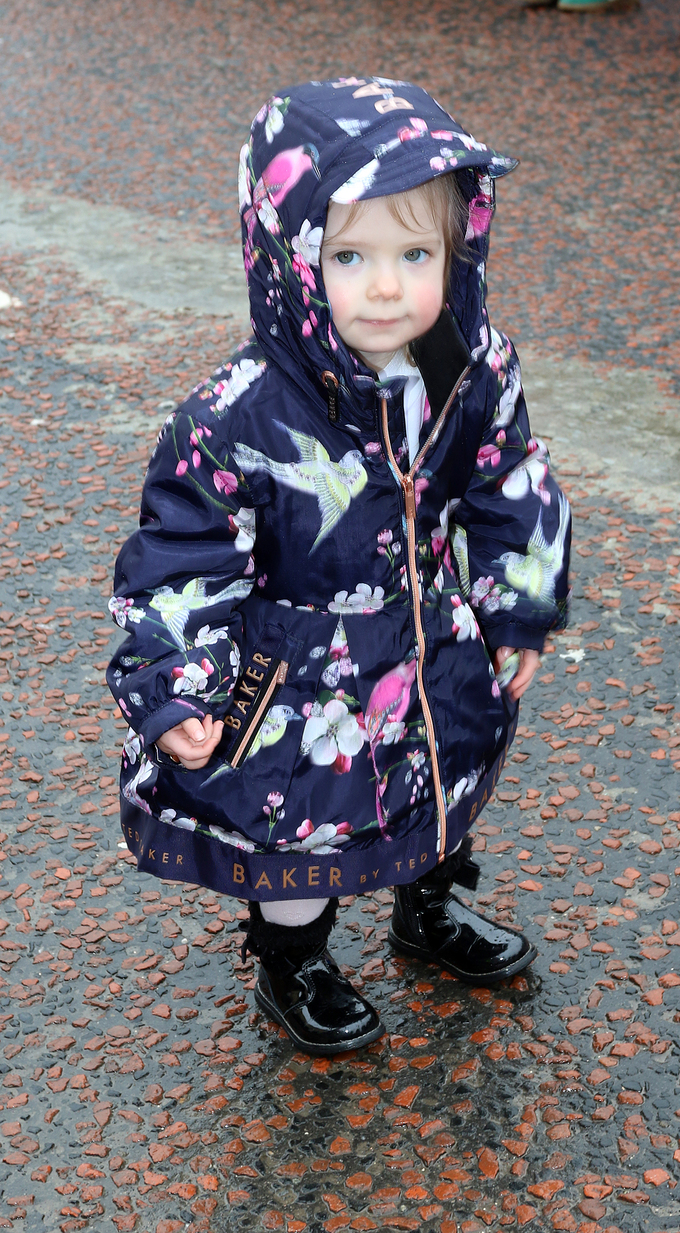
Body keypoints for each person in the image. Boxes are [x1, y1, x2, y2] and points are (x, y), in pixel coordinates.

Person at [107, 78, 571, 1057]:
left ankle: (427, 905)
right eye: (350, 256)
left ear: (459, 249)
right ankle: (294, 958)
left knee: (444, 771)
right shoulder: (236, 415)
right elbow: (181, 557)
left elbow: (507, 479)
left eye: (416, 254)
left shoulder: (462, 364)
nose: (388, 288)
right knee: (301, 828)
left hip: (428, 636)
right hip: (298, 672)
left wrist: (518, 602)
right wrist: (180, 681)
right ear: (289, 258)